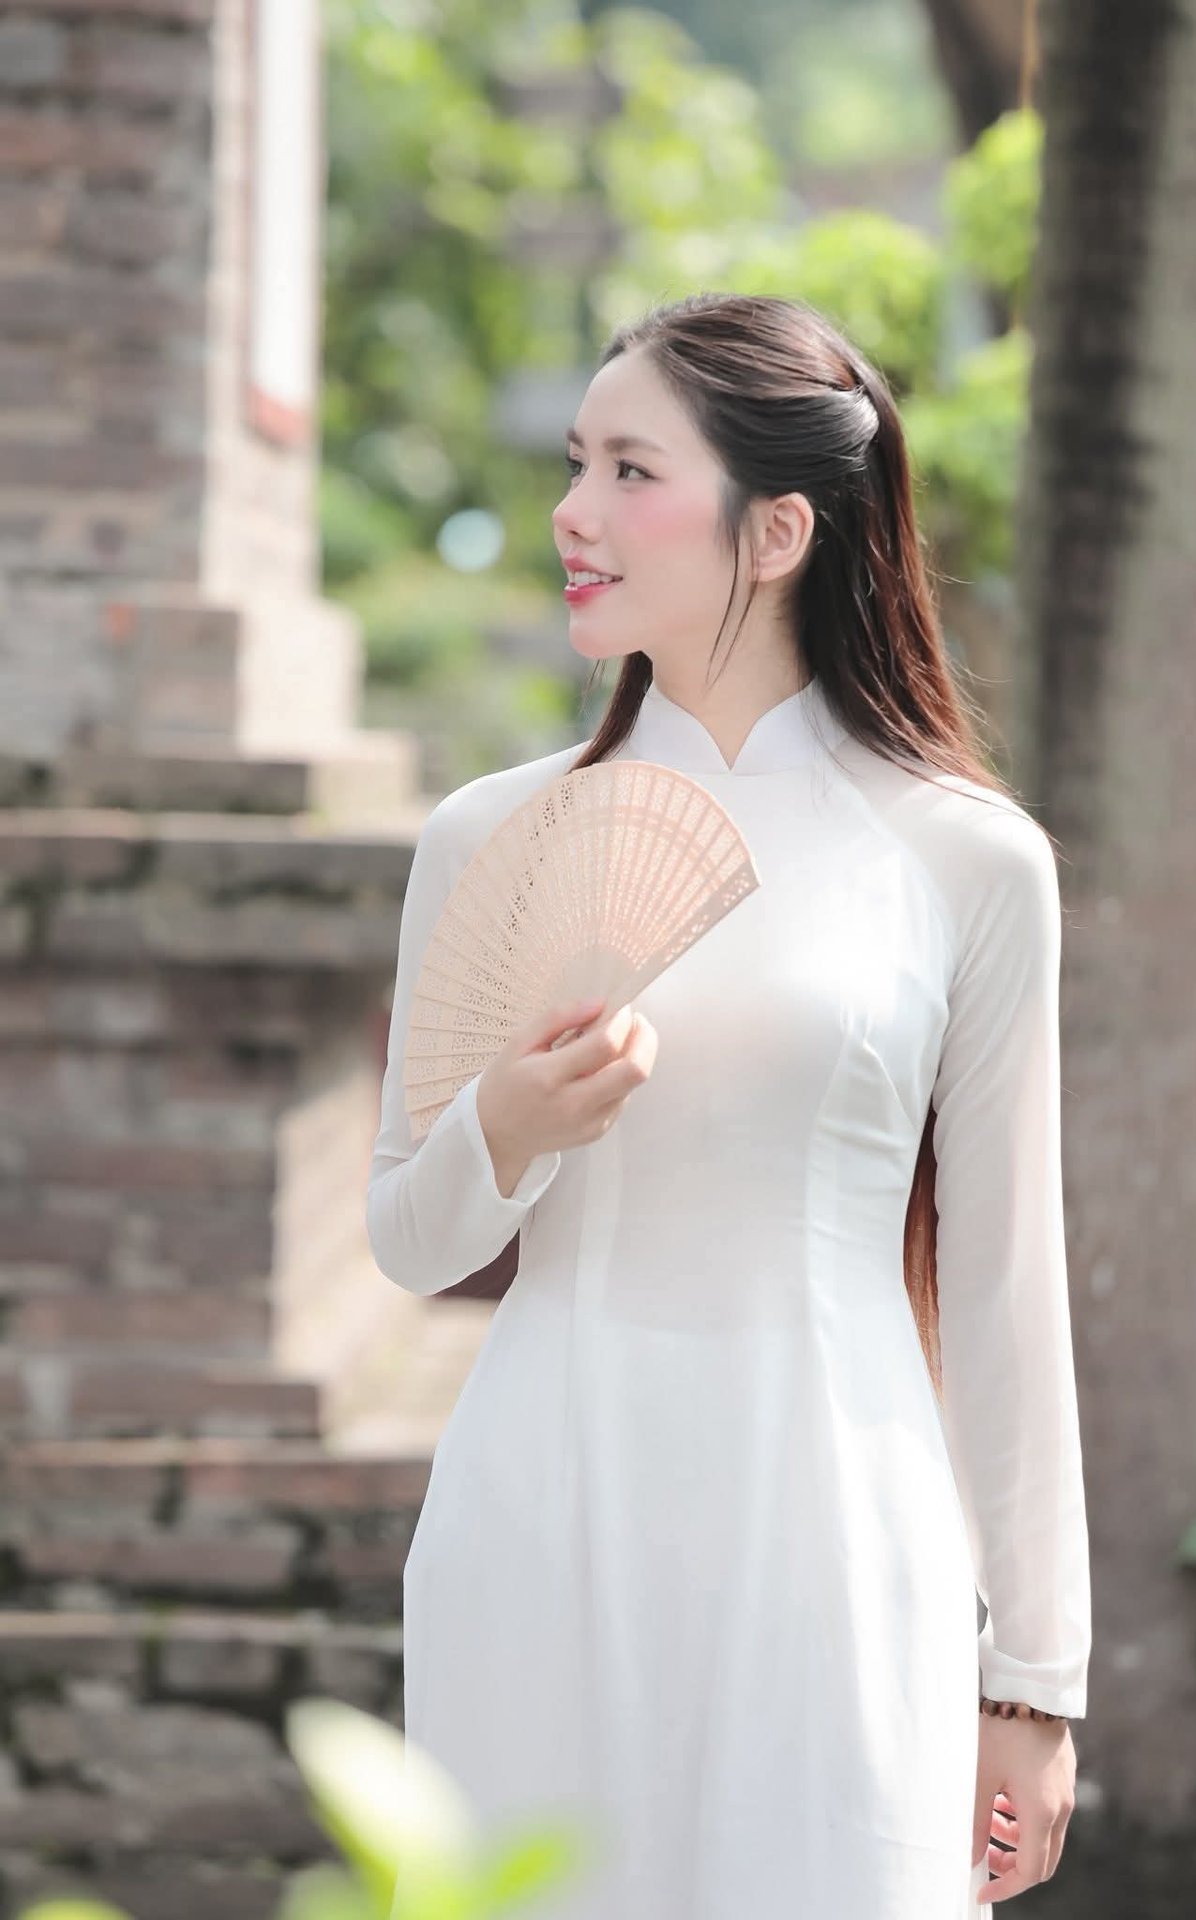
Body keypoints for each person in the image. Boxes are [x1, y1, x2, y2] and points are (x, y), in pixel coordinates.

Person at [367, 291, 1091, 1918]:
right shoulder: (486, 837)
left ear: (775, 530)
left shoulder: (965, 859)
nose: (572, 511)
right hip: (541, 1515)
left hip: (830, 1523)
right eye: (574, 463)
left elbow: (1002, 1291)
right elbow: (409, 1241)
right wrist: (508, 1126)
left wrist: (1035, 1678)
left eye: (631, 471)